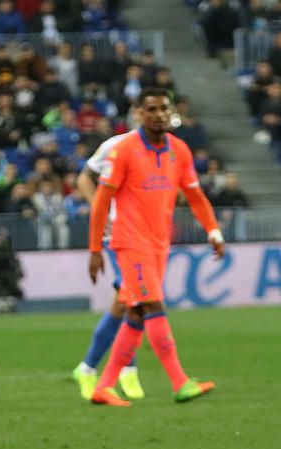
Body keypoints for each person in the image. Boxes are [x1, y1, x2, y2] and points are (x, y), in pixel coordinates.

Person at [87, 89, 224, 408]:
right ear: (138, 114)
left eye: (164, 108)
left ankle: (104, 386)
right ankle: (180, 381)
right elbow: (101, 202)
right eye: (152, 109)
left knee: (135, 312)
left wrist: (213, 231)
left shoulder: (180, 150)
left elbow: (195, 196)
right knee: (152, 305)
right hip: (130, 241)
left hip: (159, 243)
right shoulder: (123, 151)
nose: (160, 114)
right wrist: (95, 249)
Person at [71, 111, 146, 401]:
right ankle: (124, 370)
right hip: (120, 234)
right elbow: (83, 180)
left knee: (129, 301)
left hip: (147, 237)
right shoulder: (115, 145)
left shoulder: (164, 152)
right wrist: (99, 208)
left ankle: (92, 367)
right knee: (132, 299)